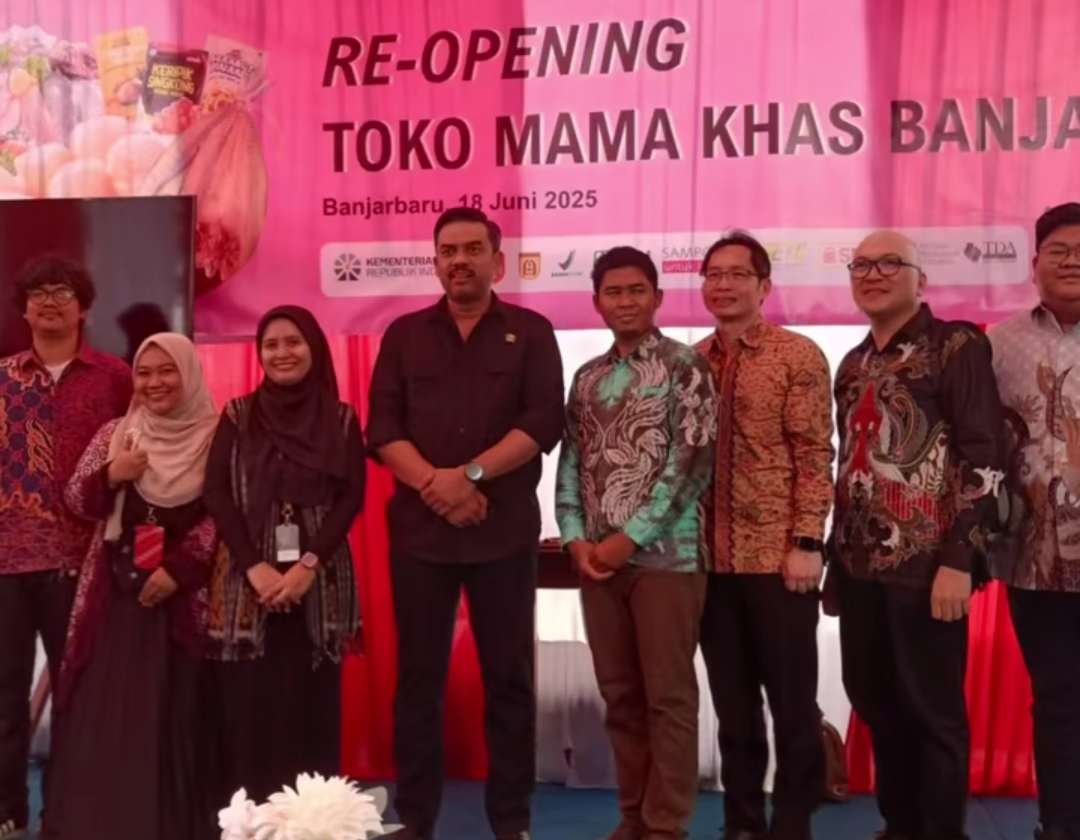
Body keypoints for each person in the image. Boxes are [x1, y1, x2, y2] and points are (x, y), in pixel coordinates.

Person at [366, 207, 565, 840]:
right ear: (436, 262)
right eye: (448, 251)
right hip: (421, 536)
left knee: (509, 681)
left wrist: (470, 477)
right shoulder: (404, 335)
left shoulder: (531, 333)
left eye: (473, 249)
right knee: (418, 682)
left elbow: (542, 423)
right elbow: (382, 429)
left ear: (497, 262)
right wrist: (437, 484)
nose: (460, 260)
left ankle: (511, 822)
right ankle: (415, 819)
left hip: (501, 534)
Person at [828, 230, 1005, 840]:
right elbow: (848, 465)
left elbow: (985, 455)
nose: (873, 274)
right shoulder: (853, 364)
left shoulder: (955, 345)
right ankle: (900, 826)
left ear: (919, 279)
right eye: (861, 265)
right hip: (859, 568)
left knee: (933, 713)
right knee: (875, 702)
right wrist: (834, 564)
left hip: (929, 568)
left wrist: (959, 558)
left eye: (889, 264)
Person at [556, 246, 716, 840]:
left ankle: (665, 827)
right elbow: (572, 462)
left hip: (668, 559)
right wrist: (574, 538)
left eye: (636, 290)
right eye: (613, 292)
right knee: (620, 696)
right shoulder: (587, 377)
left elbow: (692, 465)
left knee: (667, 698)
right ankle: (633, 818)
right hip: (597, 563)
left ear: (658, 298)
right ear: (597, 302)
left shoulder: (685, 367)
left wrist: (630, 539)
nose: (625, 301)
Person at [42, 333, 219, 840]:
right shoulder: (117, 433)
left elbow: (226, 513)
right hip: (115, 595)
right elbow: (76, 499)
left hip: (183, 599)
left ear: (189, 374)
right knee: (105, 710)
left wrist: (178, 570)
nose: (154, 382)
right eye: (144, 372)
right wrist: (112, 474)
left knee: (174, 710)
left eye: (167, 371)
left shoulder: (217, 436)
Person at [693, 232, 834, 840]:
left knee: (793, 705)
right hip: (708, 562)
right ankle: (743, 822)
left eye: (737, 274)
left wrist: (807, 542)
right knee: (732, 708)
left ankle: (794, 821)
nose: (723, 284)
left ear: (764, 286)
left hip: (779, 559)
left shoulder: (796, 355)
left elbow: (814, 454)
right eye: (713, 274)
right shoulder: (689, 362)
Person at [203, 305, 365, 805]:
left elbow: (350, 497)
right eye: (270, 345)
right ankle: (246, 822)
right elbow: (217, 493)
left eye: (293, 342)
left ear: (313, 348)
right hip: (247, 583)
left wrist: (307, 565)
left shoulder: (340, 419)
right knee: (248, 707)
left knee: (310, 705)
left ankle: (313, 822)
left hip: (318, 582)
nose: (281, 353)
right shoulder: (237, 415)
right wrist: (253, 565)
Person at [0, 256, 131, 840]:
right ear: (24, 309)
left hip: (83, 562)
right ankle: (7, 813)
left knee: (79, 700)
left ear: (84, 308)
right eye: (39, 293)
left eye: (63, 292)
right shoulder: (3, 378)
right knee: (3, 701)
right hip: (5, 563)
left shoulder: (115, 378)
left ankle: (67, 815)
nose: (50, 302)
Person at [990, 202, 1080, 840]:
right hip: (1035, 559)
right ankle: (1062, 824)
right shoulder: (996, 344)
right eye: (1060, 250)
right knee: (1057, 700)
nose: (1072, 261)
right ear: (1035, 263)